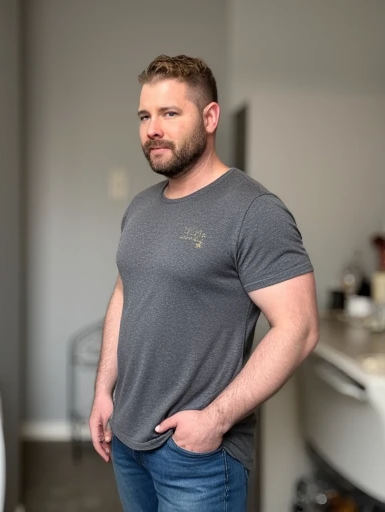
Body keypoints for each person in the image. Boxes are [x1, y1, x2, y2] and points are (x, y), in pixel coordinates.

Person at [89, 54, 319, 511]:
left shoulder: (254, 211)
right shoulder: (140, 206)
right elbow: (124, 294)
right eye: (145, 116)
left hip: (196, 456)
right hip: (129, 439)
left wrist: (213, 421)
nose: (153, 128)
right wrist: (103, 390)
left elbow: (300, 329)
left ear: (209, 117)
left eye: (170, 113)